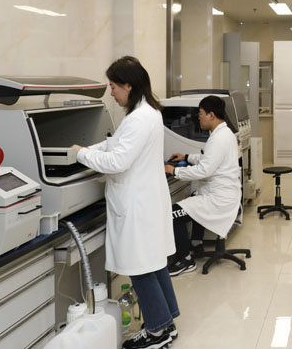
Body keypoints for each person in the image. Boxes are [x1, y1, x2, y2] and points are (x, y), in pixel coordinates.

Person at [72, 56, 178, 349]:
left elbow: (118, 160)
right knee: (153, 263)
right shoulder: (147, 113)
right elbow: (117, 143)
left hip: (136, 205)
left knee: (140, 267)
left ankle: (156, 333)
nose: (112, 92)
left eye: (113, 86)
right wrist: (88, 148)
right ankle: (167, 321)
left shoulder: (139, 118)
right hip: (145, 201)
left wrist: (81, 154)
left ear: (129, 85)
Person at [164, 95, 241, 277]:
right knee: (194, 199)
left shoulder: (219, 139)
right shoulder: (224, 133)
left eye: (200, 114)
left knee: (173, 214)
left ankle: (185, 260)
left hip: (219, 199)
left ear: (211, 115)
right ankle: (196, 244)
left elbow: (204, 170)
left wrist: (174, 171)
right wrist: (186, 157)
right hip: (224, 194)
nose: (198, 118)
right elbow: (208, 158)